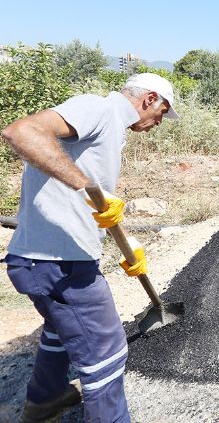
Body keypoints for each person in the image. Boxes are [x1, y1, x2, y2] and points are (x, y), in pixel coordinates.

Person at [1, 73, 179, 422]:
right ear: (149, 98)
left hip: (46, 258)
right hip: (57, 263)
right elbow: (20, 131)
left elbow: (96, 208)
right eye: (162, 111)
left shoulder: (110, 128)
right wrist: (85, 186)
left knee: (59, 326)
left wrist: (132, 249)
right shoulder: (98, 109)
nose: (160, 121)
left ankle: (45, 400)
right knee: (106, 353)